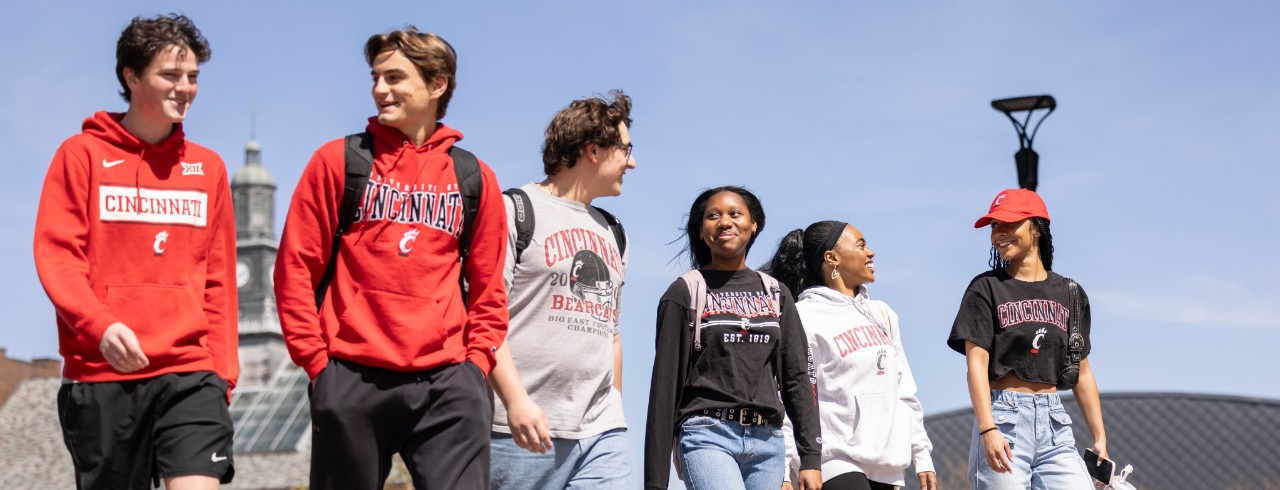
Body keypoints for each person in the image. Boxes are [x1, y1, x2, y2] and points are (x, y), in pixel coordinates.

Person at [273, 27, 508, 490]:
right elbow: (294, 269)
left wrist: (476, 367)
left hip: (448, 384)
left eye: (395, 77)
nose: (380, 89)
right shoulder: (338, 161)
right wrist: (318, 366)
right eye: (376, 78)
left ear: (436, 84)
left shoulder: (474, 177)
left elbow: (489, 290)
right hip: (350, 378)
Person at [33, 13, 238, 489]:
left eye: (192, 76)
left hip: (191, 375)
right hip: (102, 375)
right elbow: (58, 258)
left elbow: (219, 279)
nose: (185, 88)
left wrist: (222, 374)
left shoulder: (208, 169)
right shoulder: (81, 155)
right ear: (132, 76)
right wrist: (99, 325)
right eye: (170, 74)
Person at [488, 91, 636, 488]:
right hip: (518, 429)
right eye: (626, 149)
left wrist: (615, 408)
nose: (632, 162)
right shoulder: (513, 211)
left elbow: (612, 334)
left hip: (601, 431)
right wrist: (516, 402)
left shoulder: (614, 231)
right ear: (593, 150)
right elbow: (483, 319)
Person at [644, 186, 823, 490]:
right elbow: (665, 387)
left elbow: (795, 378)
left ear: (754, 225)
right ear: (701, 231)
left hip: (767, 442)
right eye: (713, 216)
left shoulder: (776, 294)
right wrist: (655, 483)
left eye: (735, 214)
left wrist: (810, 457)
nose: (724, 222)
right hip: (707, 434)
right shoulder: (685, 292)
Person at [946, 188, 1107, 489]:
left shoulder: (1070, 293)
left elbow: (1083, 372)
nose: (999, 233)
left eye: (1009, 223)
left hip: (1055, 425)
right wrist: (987, 428)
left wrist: (1099, 438)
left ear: (1036, 228)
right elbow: (976, 366)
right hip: (1003, 420)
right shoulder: (985, 288)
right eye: (995, 225)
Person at [764, 221, 938, 490]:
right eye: (860, 245)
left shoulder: (882, 314)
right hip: (832, 457)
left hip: (886, 460)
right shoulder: (803, 316)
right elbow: (789, 394)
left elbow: (904, 391)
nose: (870, 252)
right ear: (831, 258)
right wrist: (785, 468)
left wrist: (922, 454)